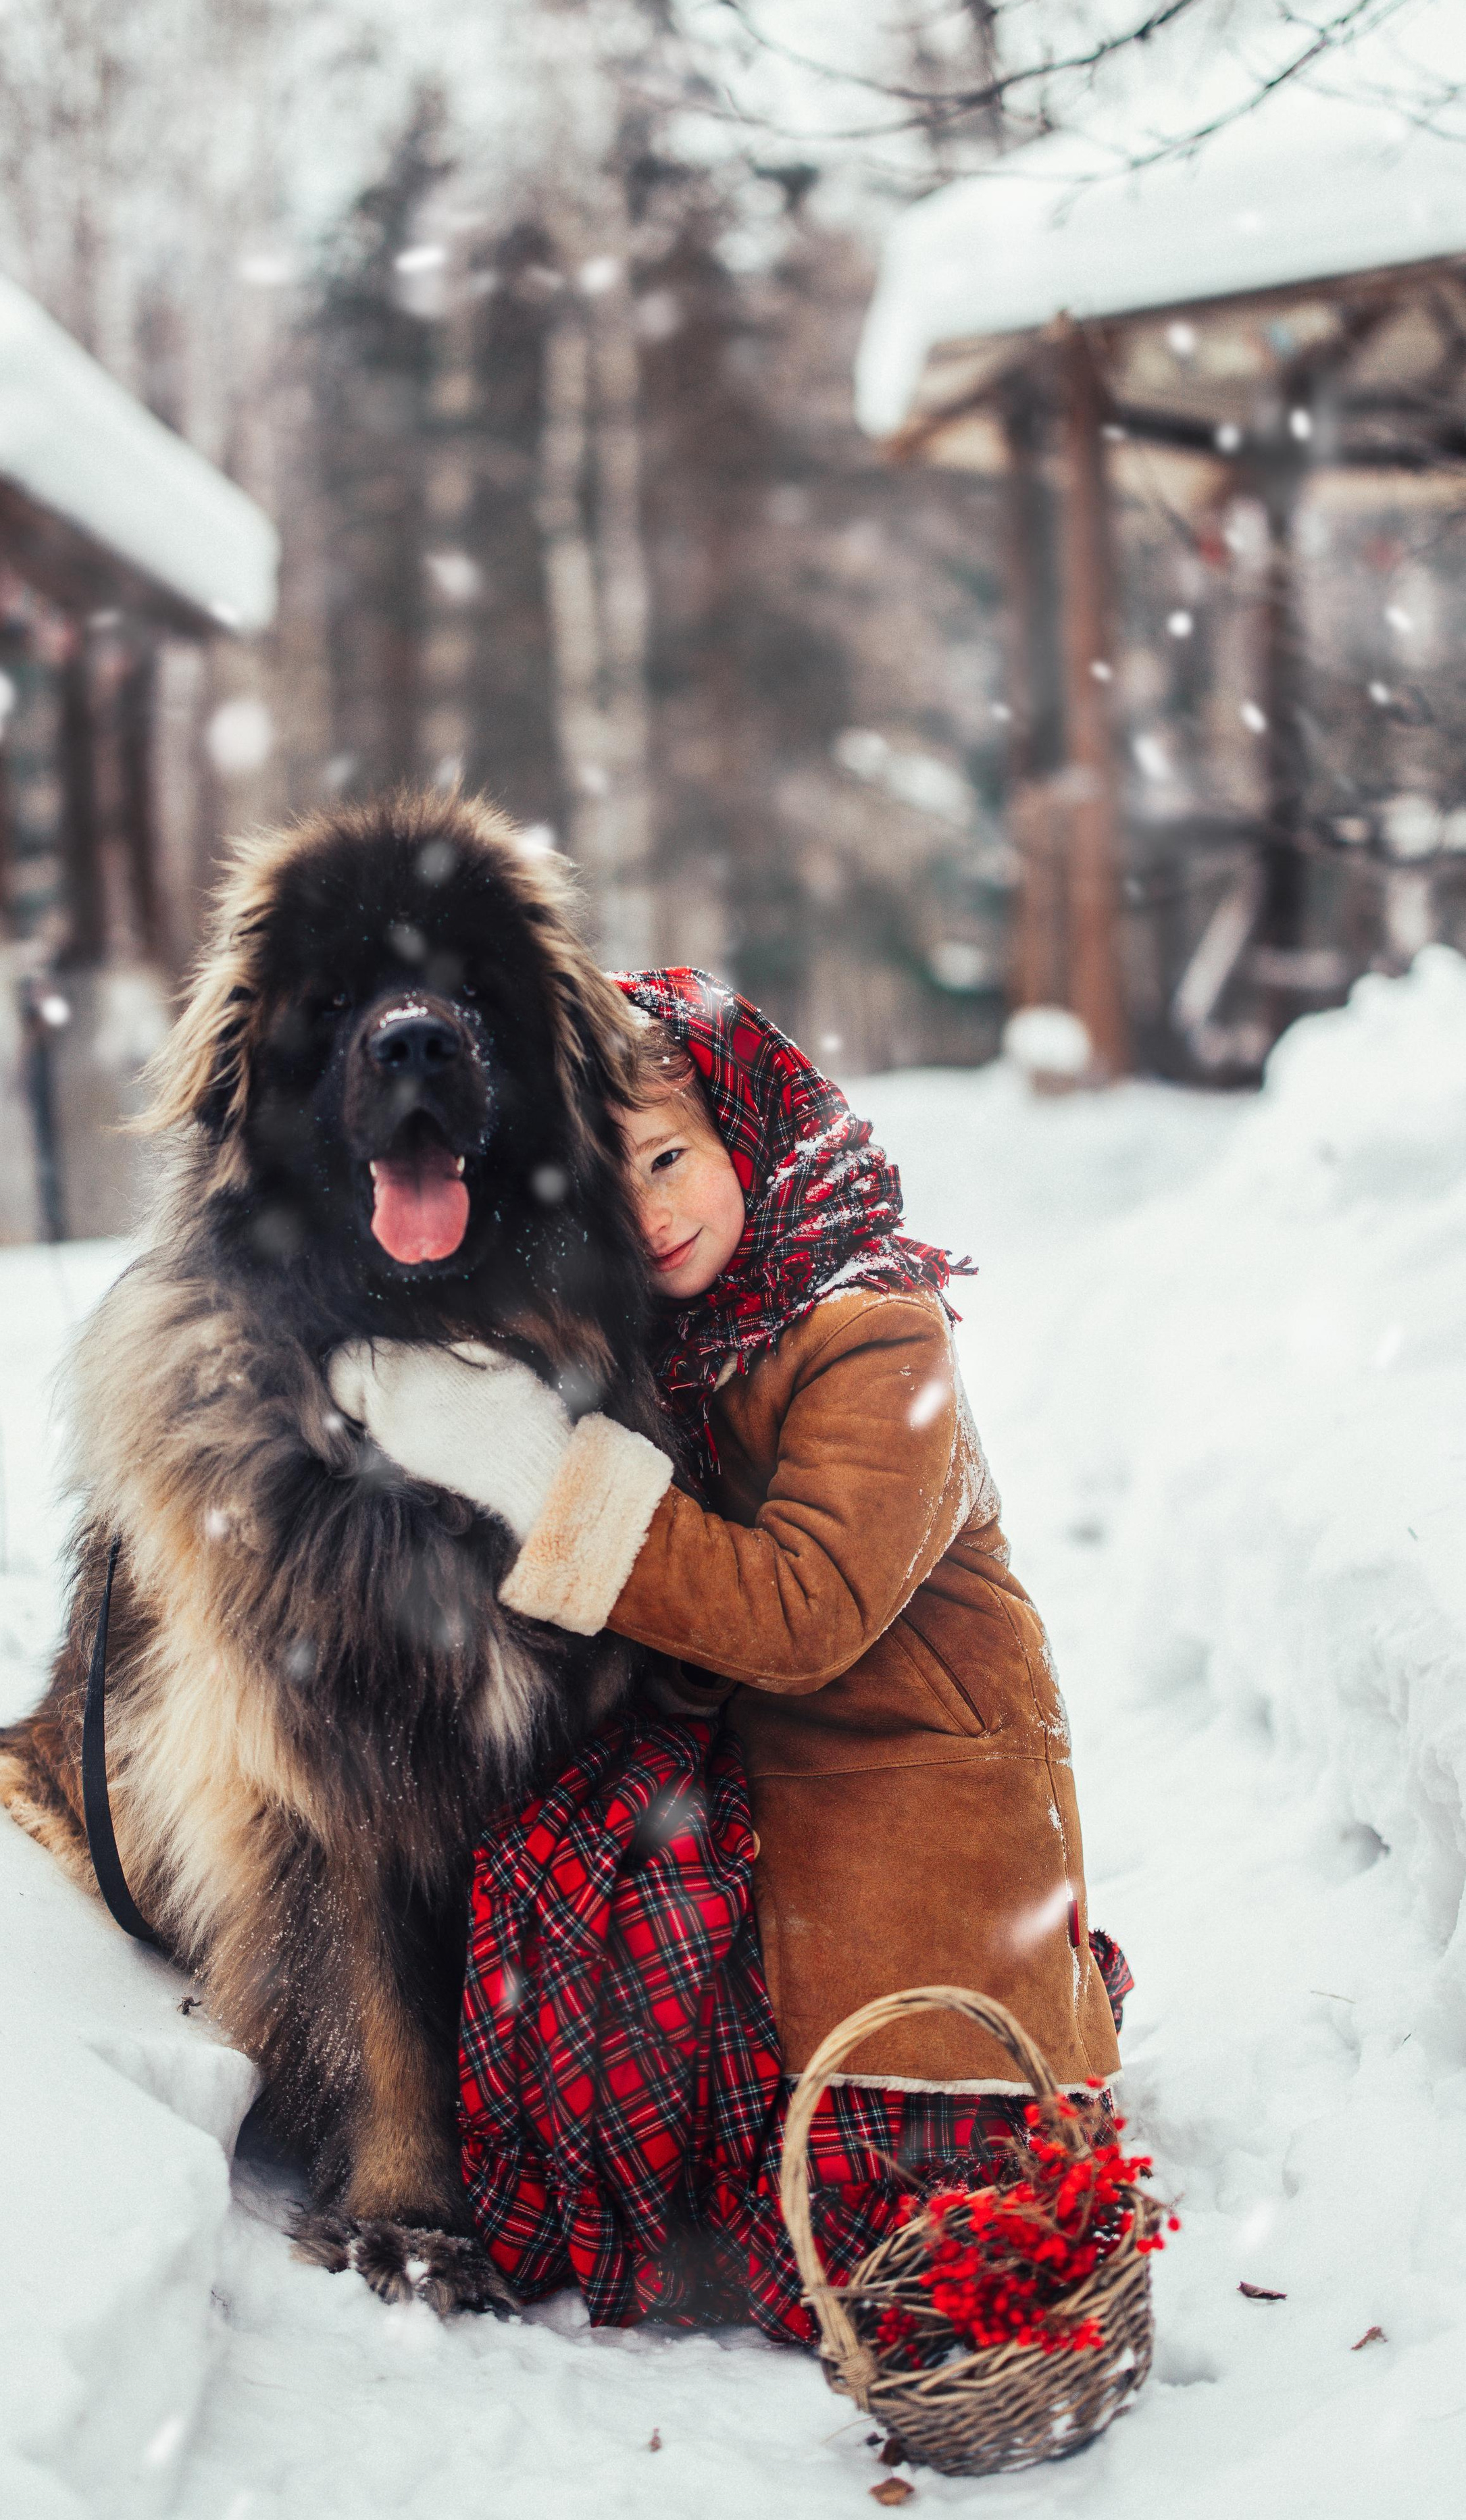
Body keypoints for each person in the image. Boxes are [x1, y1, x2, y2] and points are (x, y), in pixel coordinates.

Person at [334, 968, 1128, 2328]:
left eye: (668, 1157)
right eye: (607, 1179)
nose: (645, 1212)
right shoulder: (697, 1333)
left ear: (750, 1132)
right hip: (777, 1773)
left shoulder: (871, 1327)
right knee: (558, 1866)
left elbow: (796, 1609)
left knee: (895, 2216)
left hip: (911, 1801)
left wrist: (531, 1467)